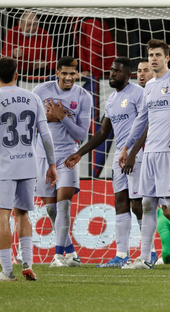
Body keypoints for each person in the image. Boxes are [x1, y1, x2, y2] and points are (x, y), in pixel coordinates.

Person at [118, 39, 170, 270]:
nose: (153, 58)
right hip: (151, 154)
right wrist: (126, 146)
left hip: (169, 151)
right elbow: (141, 120)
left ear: (167, 58)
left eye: (157, 54)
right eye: (151, 54)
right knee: (147, 204)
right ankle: (145, 258)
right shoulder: (150, 86)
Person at [0, 57, 58, 281]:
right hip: (29, 164)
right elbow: (46, 136)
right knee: (23, 214)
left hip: (5, 165)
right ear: (17, 74)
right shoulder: (33, 98)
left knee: (2, 215)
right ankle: (28, 264)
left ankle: (7, 271)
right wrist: (52, 165)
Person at [64, 57, 145, 268]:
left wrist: (134, 152)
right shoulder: (111, 100)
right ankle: (121, 255)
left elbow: (148, 125)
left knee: (138, 204)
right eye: (111, 70)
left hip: (139, 154)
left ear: (128, 75)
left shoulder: (138, 94)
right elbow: (103, 132)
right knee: (120, 202)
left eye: (117, 71)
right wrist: (80, 153)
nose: (112, 74)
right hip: (120, 156)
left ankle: (149, 253)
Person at [33, 56, 92, 267]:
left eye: (73, 73)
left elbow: (82, 134)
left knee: (64, 205)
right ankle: (71, 253)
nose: (69, 78)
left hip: (68, 155)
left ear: (77, 74)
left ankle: (58, 256)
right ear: (57, 73)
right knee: (51, 209)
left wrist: (63, 117)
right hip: (43, 156)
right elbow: (29, 122)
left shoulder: (84, 96)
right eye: (65, 73)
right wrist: (47, 118)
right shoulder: (40, 91)